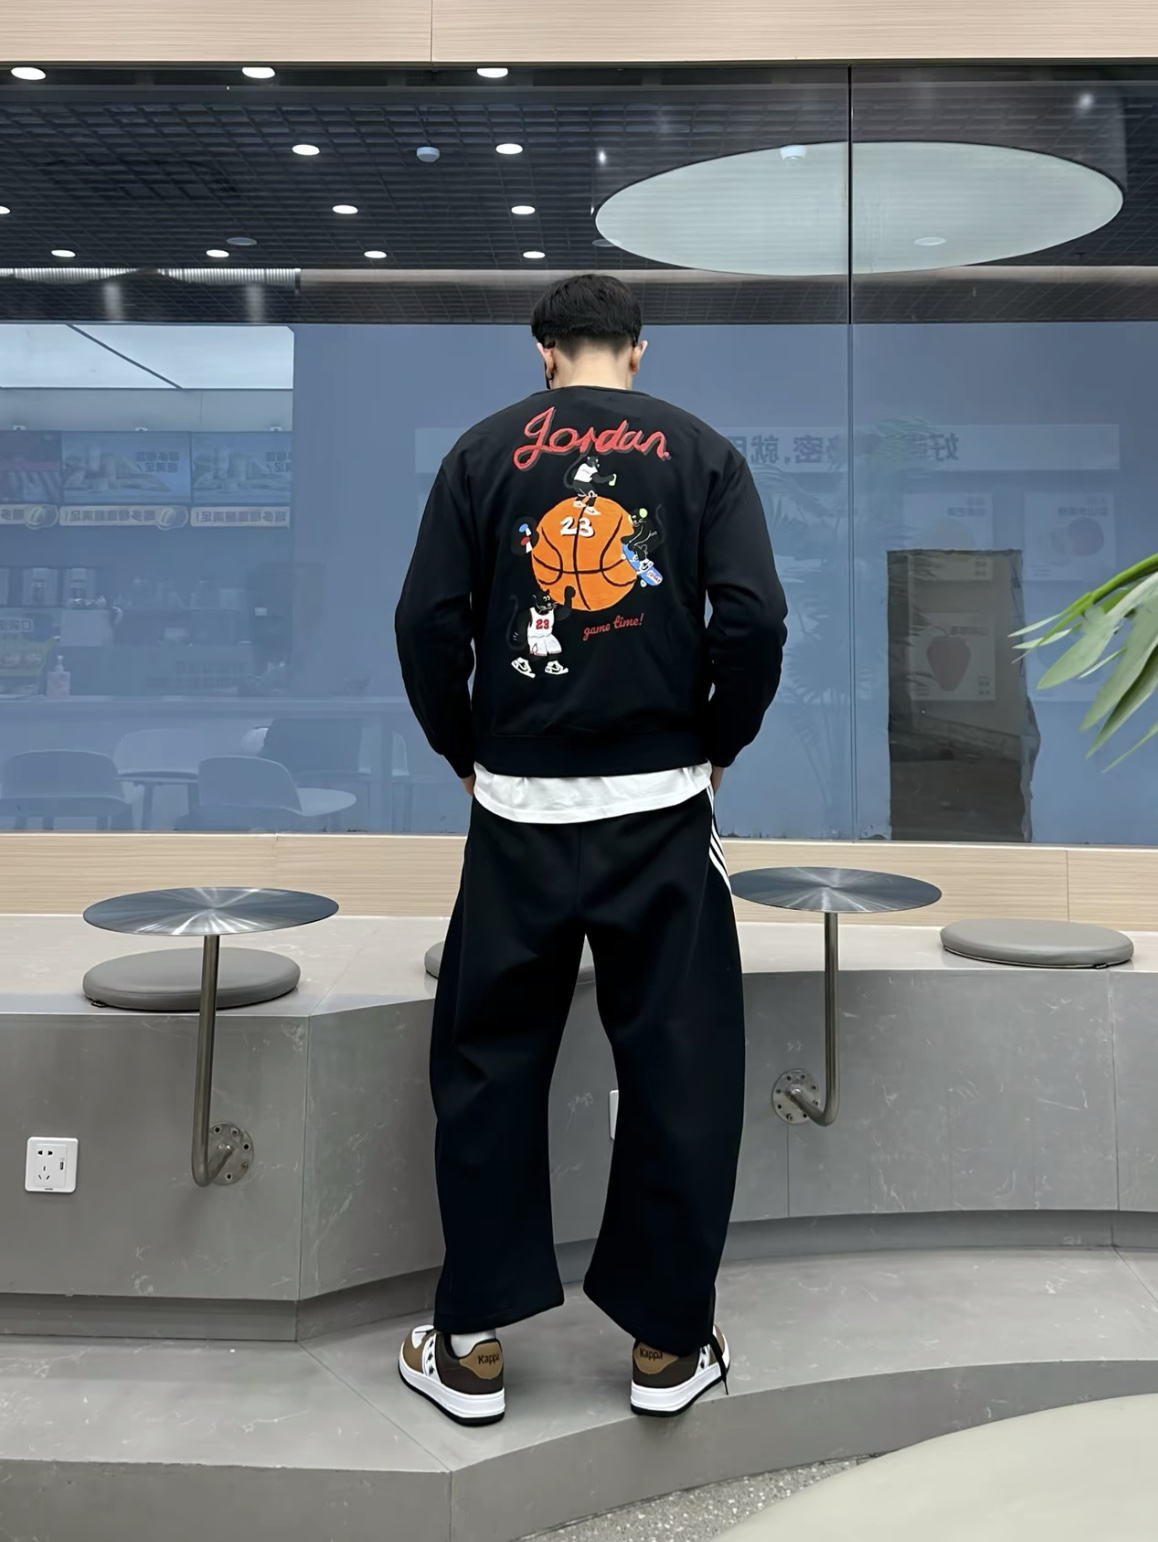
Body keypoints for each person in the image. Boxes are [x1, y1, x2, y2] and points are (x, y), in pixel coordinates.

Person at [394, 273, 787, 1426]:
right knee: (679, 1068)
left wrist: (465, 750)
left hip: (518, 813)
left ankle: (470, 1343)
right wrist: (717, 743)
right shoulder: (703, 454)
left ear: (544, 351)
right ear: (639, 349)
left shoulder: (482, 453)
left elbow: (426, 622)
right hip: (660, 813)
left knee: (488, 1064)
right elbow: (755, 618)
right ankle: (668, 1346)